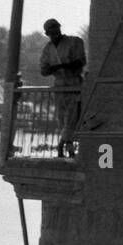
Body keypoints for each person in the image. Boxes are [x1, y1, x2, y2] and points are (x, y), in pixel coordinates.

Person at [39, 18, 86, 158]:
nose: (55, 34)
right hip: (59, 86)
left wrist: (62, 66)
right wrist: (53, 68)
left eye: (56, 30)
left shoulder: (74, 42)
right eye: (51, 32)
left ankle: (62, 144)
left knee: (73, 117)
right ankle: (68, 146)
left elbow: (80, 61)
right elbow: (43, 70)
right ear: (47, 33)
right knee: (62, 118)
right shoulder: (48, 49)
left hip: (74, 84)